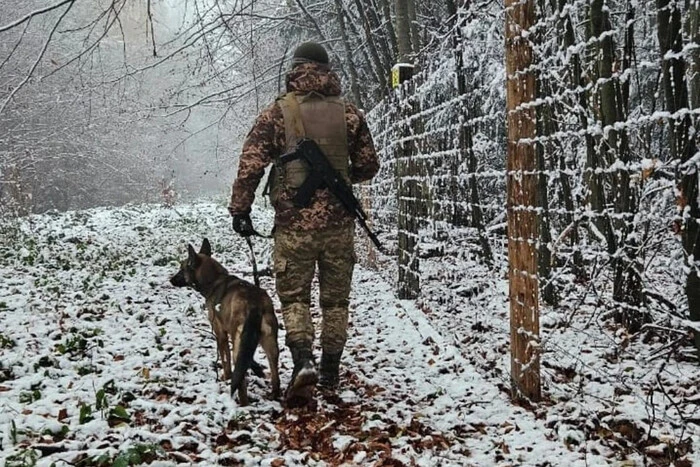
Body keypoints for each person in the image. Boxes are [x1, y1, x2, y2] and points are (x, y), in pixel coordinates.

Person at [228, 41, 380, 407]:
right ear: (327, 70)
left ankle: (302, 360)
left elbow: (251, 165)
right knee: (335, 301)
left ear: (294, 69)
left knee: (295, 297)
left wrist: (240, 210)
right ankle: (330, 369)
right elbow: (369, 166)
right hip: (339, 227)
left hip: (293, 227)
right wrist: (337, 183)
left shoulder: (277, 113)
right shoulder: (350, 113)